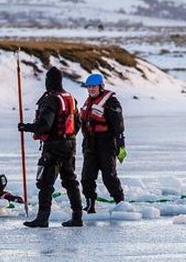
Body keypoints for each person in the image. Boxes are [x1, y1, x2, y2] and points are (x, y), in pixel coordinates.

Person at [18, 66, 83, 227]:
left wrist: (26, 127)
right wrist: (69, 137)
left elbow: (45, 125)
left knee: (45, 183)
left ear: (49, 81)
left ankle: (42, 218)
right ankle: (77, 216)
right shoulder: (70, 98)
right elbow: (78, 122)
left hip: (54, 147)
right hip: (70, 144)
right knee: (70, 180)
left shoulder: (52, 99)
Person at [79, 73, 126, 213]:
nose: (91, 89)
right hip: (89, 144)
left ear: (100, 86)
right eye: (88, 87)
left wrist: (121, 146)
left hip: (106, 144)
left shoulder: (111, 102)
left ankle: (120, 202)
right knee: (87, 177)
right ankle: (90, 204)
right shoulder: (88, 102)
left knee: (109, 176)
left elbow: (119, 126)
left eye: (93, 87)